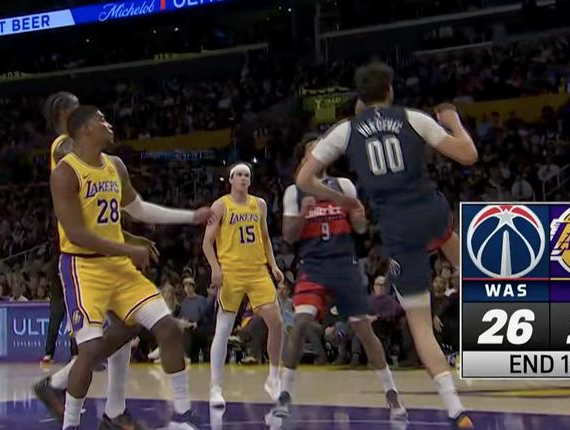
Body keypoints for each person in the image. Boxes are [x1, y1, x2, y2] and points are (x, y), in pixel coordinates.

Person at [295, 62, 477, 429]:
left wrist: (344, 201)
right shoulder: (412, 117)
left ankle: (455, 409)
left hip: (398, 228)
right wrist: (452, 120)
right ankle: (479, 280)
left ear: (360, 98)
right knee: (447, 236)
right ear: (390, 89)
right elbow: (468, 155)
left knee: (420, 325)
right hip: (431, 211)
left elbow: (303, 179)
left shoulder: (345, 130)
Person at [50, 105, 210, 430]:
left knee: (168, 328)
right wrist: (129, 248)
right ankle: (70, 424)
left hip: (118, 267)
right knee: (90, 350)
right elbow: (77, 234)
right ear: (85, 129)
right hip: (83, 268)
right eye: (101, 120)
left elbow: (138, 209)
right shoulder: (65, 173)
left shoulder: (116, 166)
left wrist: (191, 216)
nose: (109, 124)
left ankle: (182, 418)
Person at [34, 92, 163, 430]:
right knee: (116, 330)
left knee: (127, 326)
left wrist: (128, 237)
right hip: (81, 255)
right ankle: (70, 390)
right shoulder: (64, 146)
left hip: (102, 249)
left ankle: (110, 407)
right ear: (63, 113)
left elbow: (100, 211)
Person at [272, 135, 407, 421]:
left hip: (345, 265)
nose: (318, 155)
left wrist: (357, 215)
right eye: (312, 151)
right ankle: (284, 393)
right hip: (313, 266)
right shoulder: (294, 192)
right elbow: (289, 236)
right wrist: (303, 213)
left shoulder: (343, 185)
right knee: (300, 324)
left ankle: (391, 392)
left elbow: (360, 227)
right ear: (304, 159)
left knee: (363, 328)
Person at [202, 162, 284, 408]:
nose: (243, 178)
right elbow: (207, 243)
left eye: (246, 175)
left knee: (277, 322)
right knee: (223, 329)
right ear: (230, 179)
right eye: (238, 174)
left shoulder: (259, 204)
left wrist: (274, 265)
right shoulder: (220, 206)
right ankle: (216, 387)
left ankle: (273, 378)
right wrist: (215, 268)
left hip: (258, 271)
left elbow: (265, 238)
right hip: (231, 272)